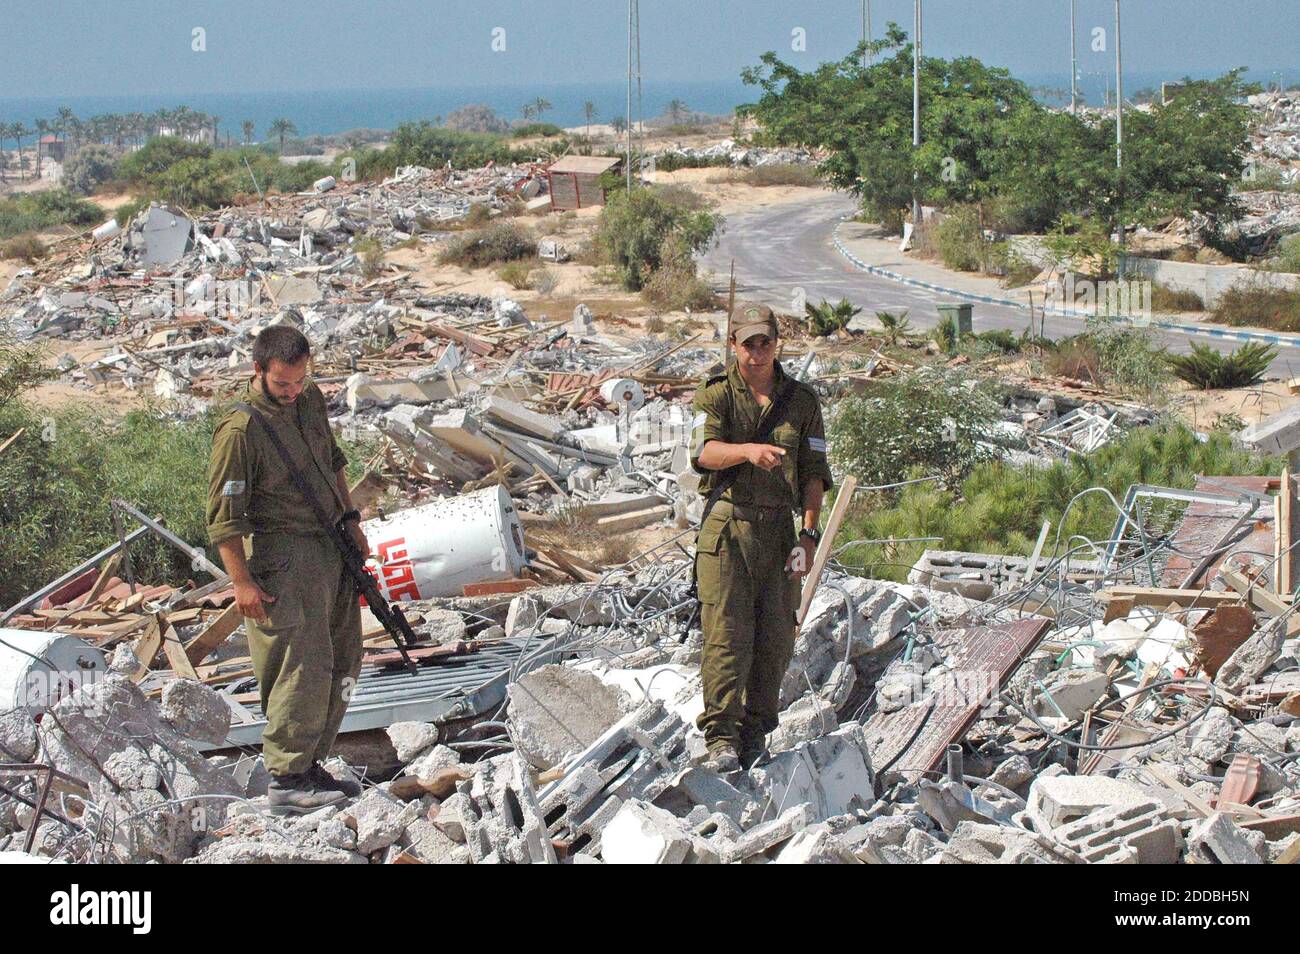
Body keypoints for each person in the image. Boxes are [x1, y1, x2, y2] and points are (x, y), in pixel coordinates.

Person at [206, 325, 366, 814]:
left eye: (299, 381)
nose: (293, 392)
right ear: (258, 371)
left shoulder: (310, 399)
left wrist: (351, 518)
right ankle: (287, 778)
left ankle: (312, 763)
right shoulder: (240, 431)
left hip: (331, 546)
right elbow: (223, 519)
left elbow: (333, 458)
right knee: (300, 667)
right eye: (283, 385)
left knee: (343, 659)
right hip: (284, 559)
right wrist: (241, 582)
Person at [689, 303, 834, 772]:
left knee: (774, 638)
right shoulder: (715, 394)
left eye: (764, 342)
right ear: (733, 345)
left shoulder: (802, 402)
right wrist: (747, 451)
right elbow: (705, 452)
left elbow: (815, 473)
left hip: (779, 530)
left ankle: (756, 736)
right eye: (747, 343)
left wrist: (809, 536)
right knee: (727, 636)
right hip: (728, 529)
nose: (756, 353)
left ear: (776, 344)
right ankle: (722, 740)